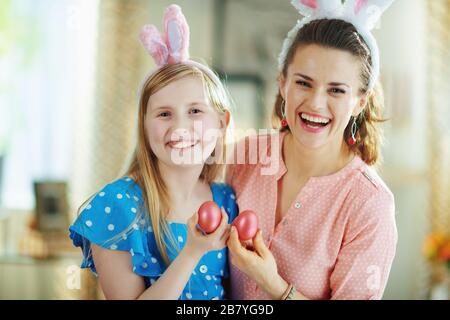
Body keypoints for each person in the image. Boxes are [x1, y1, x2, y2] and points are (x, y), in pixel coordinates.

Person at [226, 0, 398, 300]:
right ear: (283, 84)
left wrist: (274, 285)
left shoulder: (369, 204)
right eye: (304, 83)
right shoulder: (245, 156)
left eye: (336, 90)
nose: (316, 104)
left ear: (360, 101)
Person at [69, 4, 237, 300]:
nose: (180, 127)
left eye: (195, 111)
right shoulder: (118, 206)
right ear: (144, 127)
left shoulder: (227, 200)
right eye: (163, 114)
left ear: (221, 123)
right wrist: (192, 253)